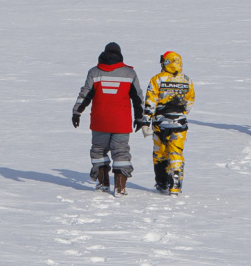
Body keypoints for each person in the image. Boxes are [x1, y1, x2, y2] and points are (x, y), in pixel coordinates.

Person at [70, 42, 147, 194]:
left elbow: (85, 95)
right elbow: (138, 98)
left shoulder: (94, 72)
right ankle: (120, 187)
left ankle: (103, 183)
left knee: (98, 151)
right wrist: (140, 118)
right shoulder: (129, 73)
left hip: (100, 121)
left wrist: (76, 112)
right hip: (121, 122)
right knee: (121, 152)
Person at [147, 51, 194, 194]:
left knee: (160, 153)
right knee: (176, 151)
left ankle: (162, 182)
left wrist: (146, 119)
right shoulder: (186, 80)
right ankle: (175, 182)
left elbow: (150, 101)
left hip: (160, 123)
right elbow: (190, 100)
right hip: (179, 123)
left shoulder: (157, 79)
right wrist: (182, 113)